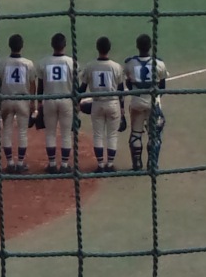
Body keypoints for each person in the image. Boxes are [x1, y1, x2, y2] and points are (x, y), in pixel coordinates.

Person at [79, 36, 126, 173]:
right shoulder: (116, 67)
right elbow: (121, 90)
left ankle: (100, 165)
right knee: (112, 135)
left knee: (98, 135)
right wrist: (122, 108)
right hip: (113, 104)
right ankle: (110, 165)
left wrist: (75, 101)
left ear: (97, 48)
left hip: (97, 104)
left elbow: (82, 89)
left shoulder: (90, 66)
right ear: (109, 49)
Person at [124, 34, 169, 171]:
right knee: (154, 135)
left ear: (137, 46)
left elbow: (128, 84)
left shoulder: (130, 63)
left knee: (136, 133)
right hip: (153, 102)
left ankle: (137, 164)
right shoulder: (159, 63)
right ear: (150, 46)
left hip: (137, 102)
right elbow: (162, 86)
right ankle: (152, 163)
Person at [37, 33, 77, 174]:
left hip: (49, 100)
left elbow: (40, 86)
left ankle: (52, 164)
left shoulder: (44, 62)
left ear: (52, 45)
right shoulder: (72, 62)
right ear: (65, 45)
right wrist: (76, 103)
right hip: (67, 100)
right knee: (66, 134)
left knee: (50, 133)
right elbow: (76, 86)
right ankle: (65, 165)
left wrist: (39, 103)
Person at [0, 34, 36, 174]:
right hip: (22, 100)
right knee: (22, 132)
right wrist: (32, 102)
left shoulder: (3, 63)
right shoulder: (28, 63)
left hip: (6, 99)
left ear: (10, 46)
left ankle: (9, 163)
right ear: (22, 46)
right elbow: (32, 84)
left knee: (6, 131)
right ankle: (20, 163)